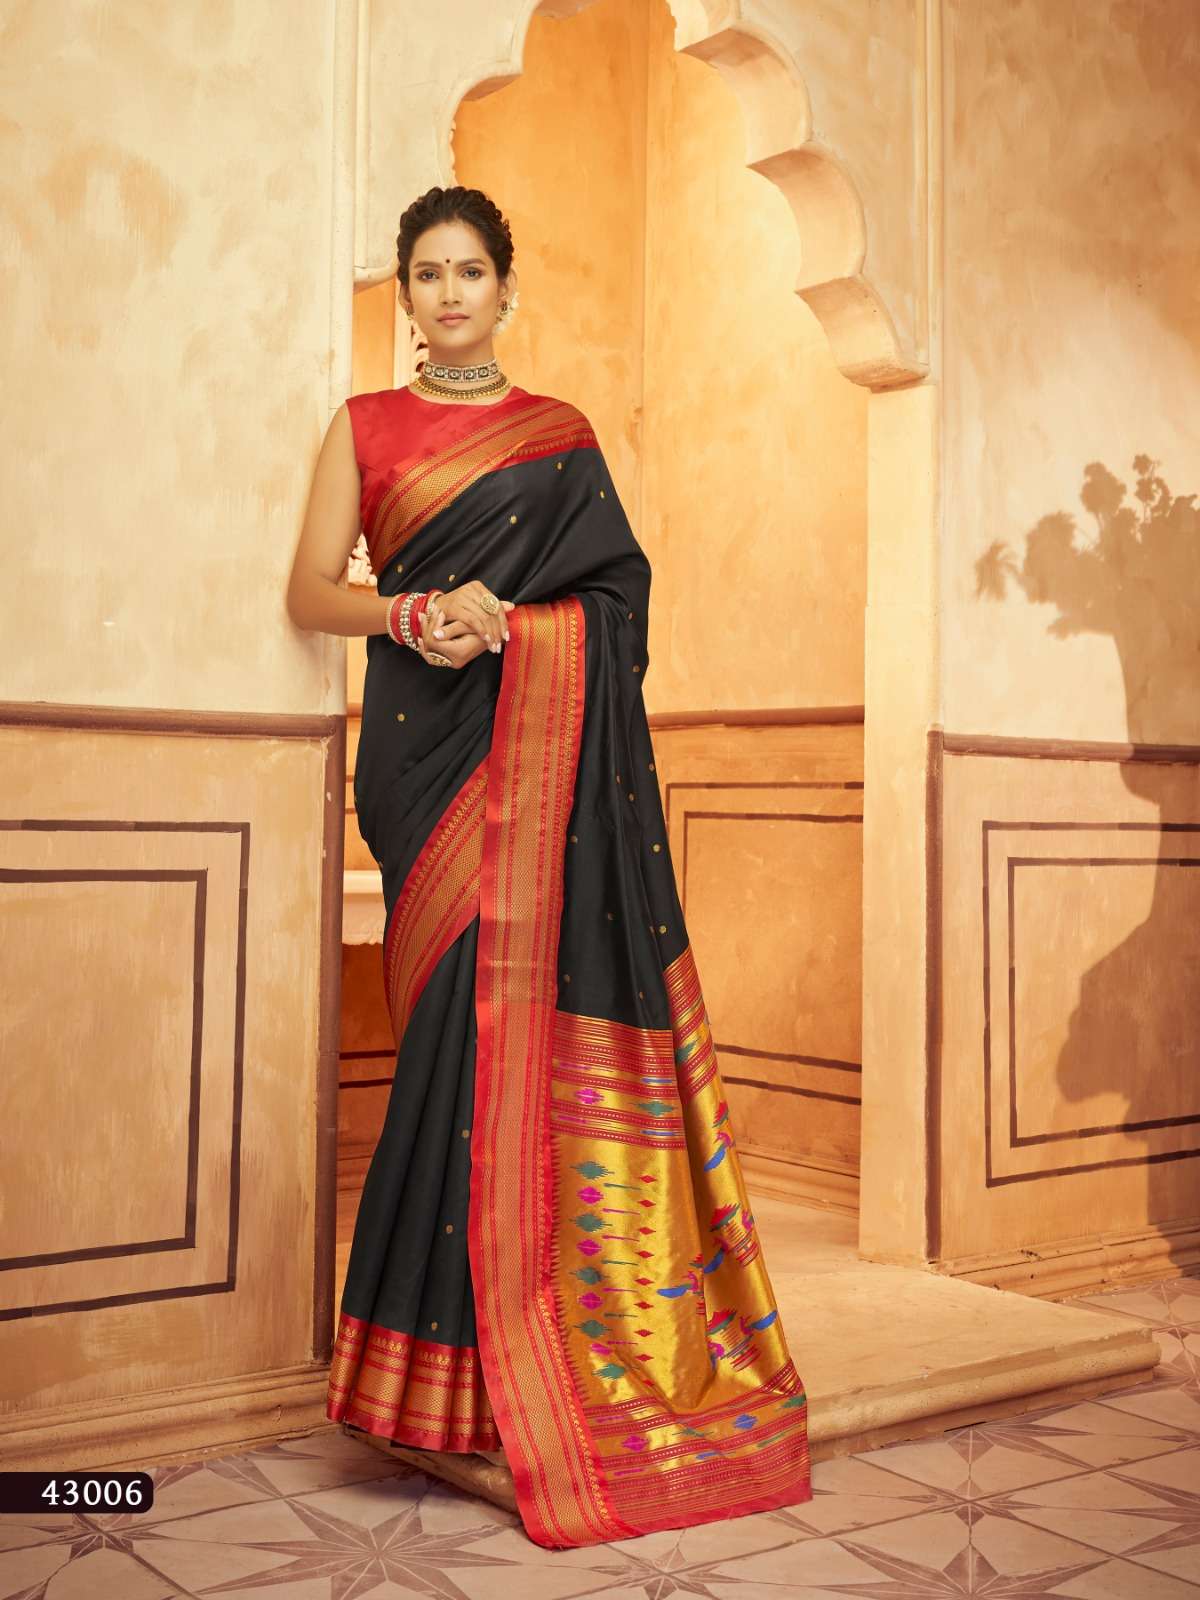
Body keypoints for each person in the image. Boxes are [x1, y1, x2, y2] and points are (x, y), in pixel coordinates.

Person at [286, 184, 812, 1550]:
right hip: (422, 760)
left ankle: (495, 1369)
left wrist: (513, 628)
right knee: (441, 1038)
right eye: (427, 274)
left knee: (492, 1042)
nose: (449, 293)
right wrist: (415, 610)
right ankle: (426, 1376)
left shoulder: (560, 436)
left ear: (506, 290)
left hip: (534, 750)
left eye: (470, 272)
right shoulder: (364, 426)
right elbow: (311, 591)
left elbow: (618, 601)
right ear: (405, 294)